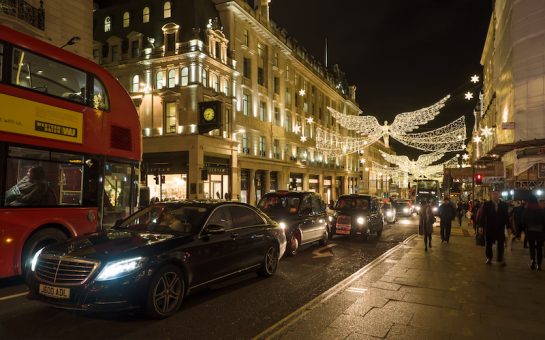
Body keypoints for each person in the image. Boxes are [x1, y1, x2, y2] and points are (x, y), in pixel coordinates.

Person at [478, 191, 511, 266]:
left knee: (500, 244)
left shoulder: (504, 205)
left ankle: (500, 258)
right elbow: (482, 216)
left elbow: (506, 217)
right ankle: (489, 258)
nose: (495, 195)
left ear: (499, 195)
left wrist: (509, 227)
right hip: (490, 227)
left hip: (500, 227)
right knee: (489, 243)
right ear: (491, 195)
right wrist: (481, 226)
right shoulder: (486, 204)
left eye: (497, 194)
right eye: (493, 194)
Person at [522, 195, 545, 270]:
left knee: (531, 247)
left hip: (530, 231)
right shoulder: (541, 210)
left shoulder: (526, 210)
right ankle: (539, 264)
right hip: (540, 232)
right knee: (539, 248)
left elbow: (523, 221)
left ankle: (532, 261)